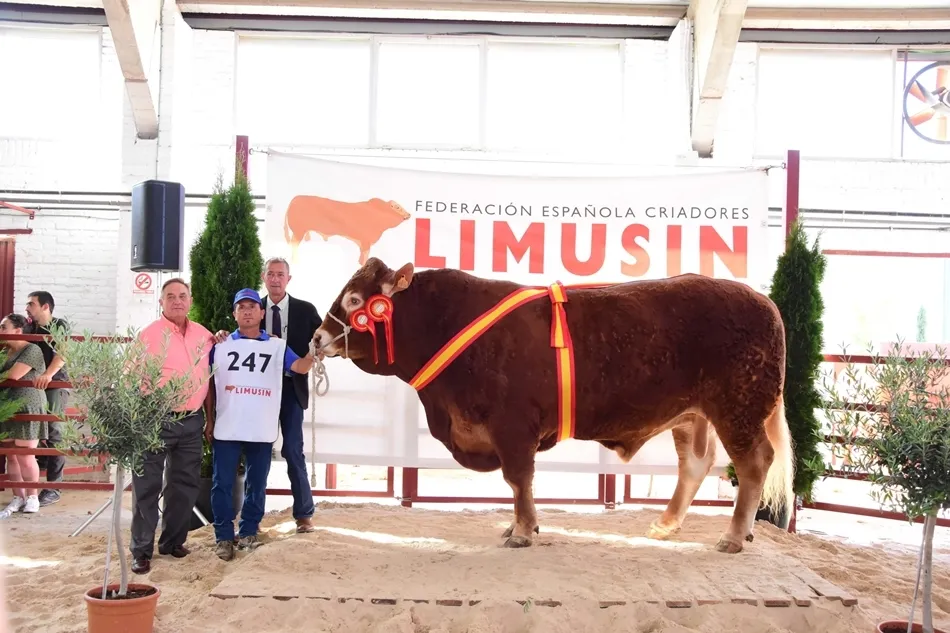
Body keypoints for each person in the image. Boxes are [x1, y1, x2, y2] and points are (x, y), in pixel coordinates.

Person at [205, 288, 315, 561]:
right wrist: (209, 418)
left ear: (262, 312)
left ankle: (249, 530)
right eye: (241, 307)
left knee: (257, 482)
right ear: (234, 313)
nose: (247, 311)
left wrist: (316, 352)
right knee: (221, 482)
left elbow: (299, 367)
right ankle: (222, 536)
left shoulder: (277, 346)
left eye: (252, 306)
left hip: (260, 426)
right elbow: (209, 382)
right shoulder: (221, 345)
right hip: (228, 425)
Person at [130, 278, 215, 575]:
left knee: (185, 486)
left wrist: (209, 420)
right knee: (147, 487)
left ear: (190, 300)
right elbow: (128, 377)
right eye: (171, 296)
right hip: (155, 419)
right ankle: (141, 551)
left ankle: (173, 542)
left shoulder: (205, 337)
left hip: (192, 421)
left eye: (182, 295)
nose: (177, 301)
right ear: (161, 302)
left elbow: (211, 380)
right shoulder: (148, 336)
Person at [259, 257, 322, 534]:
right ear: (264, 277)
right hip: (257, 392)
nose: (275, 279)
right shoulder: (252, 308)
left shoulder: (306, 310)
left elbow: (323, 340)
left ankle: (304, 514)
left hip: (291, 388)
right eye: (270, 274)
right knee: (257, 450)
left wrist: (315, 356)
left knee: (293, 450)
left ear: (288, 279)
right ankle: (253, 516)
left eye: (280, 274)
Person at [24, 290, 70, 507]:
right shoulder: (29, 327)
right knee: (29, 431)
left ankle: (53, 487)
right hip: (32, 387)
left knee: (54, 432)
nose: (27, 308)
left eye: (31, 304)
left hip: (55, 385)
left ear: (45, 307)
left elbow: (63, 352)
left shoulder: (59, 325)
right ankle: (26, 488)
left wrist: (48, 375)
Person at [0, 313, 49, 517]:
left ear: (18, 331)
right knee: (11, 455)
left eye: (4, 327)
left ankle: (32, 496)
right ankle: (18, 497)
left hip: (28, 406)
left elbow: (14, 375)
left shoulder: (32, 349)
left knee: (26, 455)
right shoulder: (5, 351)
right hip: (7, 406)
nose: (1, 331)